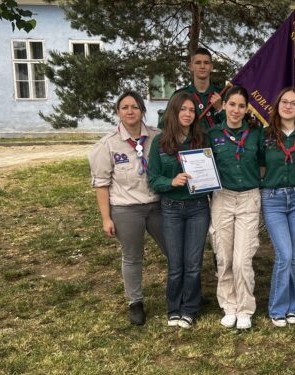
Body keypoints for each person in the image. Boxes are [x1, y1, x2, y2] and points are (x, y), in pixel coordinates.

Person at [88, 91, 164, 326]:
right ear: (118, 112)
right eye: (124, 107)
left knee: (174, 249)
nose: (130, 111)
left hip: (157, 205)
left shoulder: (157, 137)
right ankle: (135, 302)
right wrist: (106, 218)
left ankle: (181, 294)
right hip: (126, 208)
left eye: (134, 107)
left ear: (142, 110)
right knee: (132, 257)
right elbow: (101, 184)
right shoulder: (108, 144)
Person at [148, 92, 210, 329]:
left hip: (198, 208)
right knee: (176, 264)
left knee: (193, 262)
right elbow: (153, 179)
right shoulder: (160, 142)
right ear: (174, 112)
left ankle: (190, 309)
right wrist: (170, 182)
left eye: (192, 110)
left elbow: (210, 171)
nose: (187, 114)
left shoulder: (201, 141)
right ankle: (174, 308)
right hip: (171, 209)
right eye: (183, 109)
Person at [206, 86, 262, 329]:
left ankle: (245, 309)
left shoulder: (255, 134)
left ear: (246, 108)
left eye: (241, 105)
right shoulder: (212, 134)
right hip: (222, 198)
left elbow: (263, 164)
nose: (236, 110)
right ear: (224, 105)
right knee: (224, 256)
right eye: (232, 105)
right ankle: (229, 306)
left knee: (242, 259)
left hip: (249, 198)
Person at [260, 87, 295, 327]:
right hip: (273, 199)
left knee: (294, 256)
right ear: (278, 104)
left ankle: (293, 308)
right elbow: (259, 164)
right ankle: (277, 308)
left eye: (294, 103)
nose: (289, 106)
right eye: (285, 101)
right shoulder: (265, 135)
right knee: (284, 254)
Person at [160, 47, 224, 130]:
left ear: (211, 67)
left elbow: (234, 125)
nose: (202, 66)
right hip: (188, 142)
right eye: (198, 63)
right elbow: (164, 126)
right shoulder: (179, 95)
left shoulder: (222, 94)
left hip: (216, 142)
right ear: (191, 66)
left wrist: (220, 109)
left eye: (206, 63)